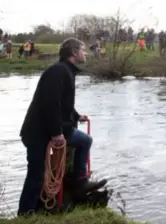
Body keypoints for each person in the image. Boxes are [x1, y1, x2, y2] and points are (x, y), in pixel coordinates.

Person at [18, 38, 106, 216]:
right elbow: (50, 104)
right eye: (82, 50)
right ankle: (26, 213)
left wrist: (75, 115)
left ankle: (78, 182)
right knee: (37, 173)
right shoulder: (59, 71)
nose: (86, 53)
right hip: (38, 132)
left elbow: (62, 103)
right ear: (74, 53)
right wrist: (57, 133)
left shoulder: (66, 71)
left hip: (48, 129)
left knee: (84, 141)